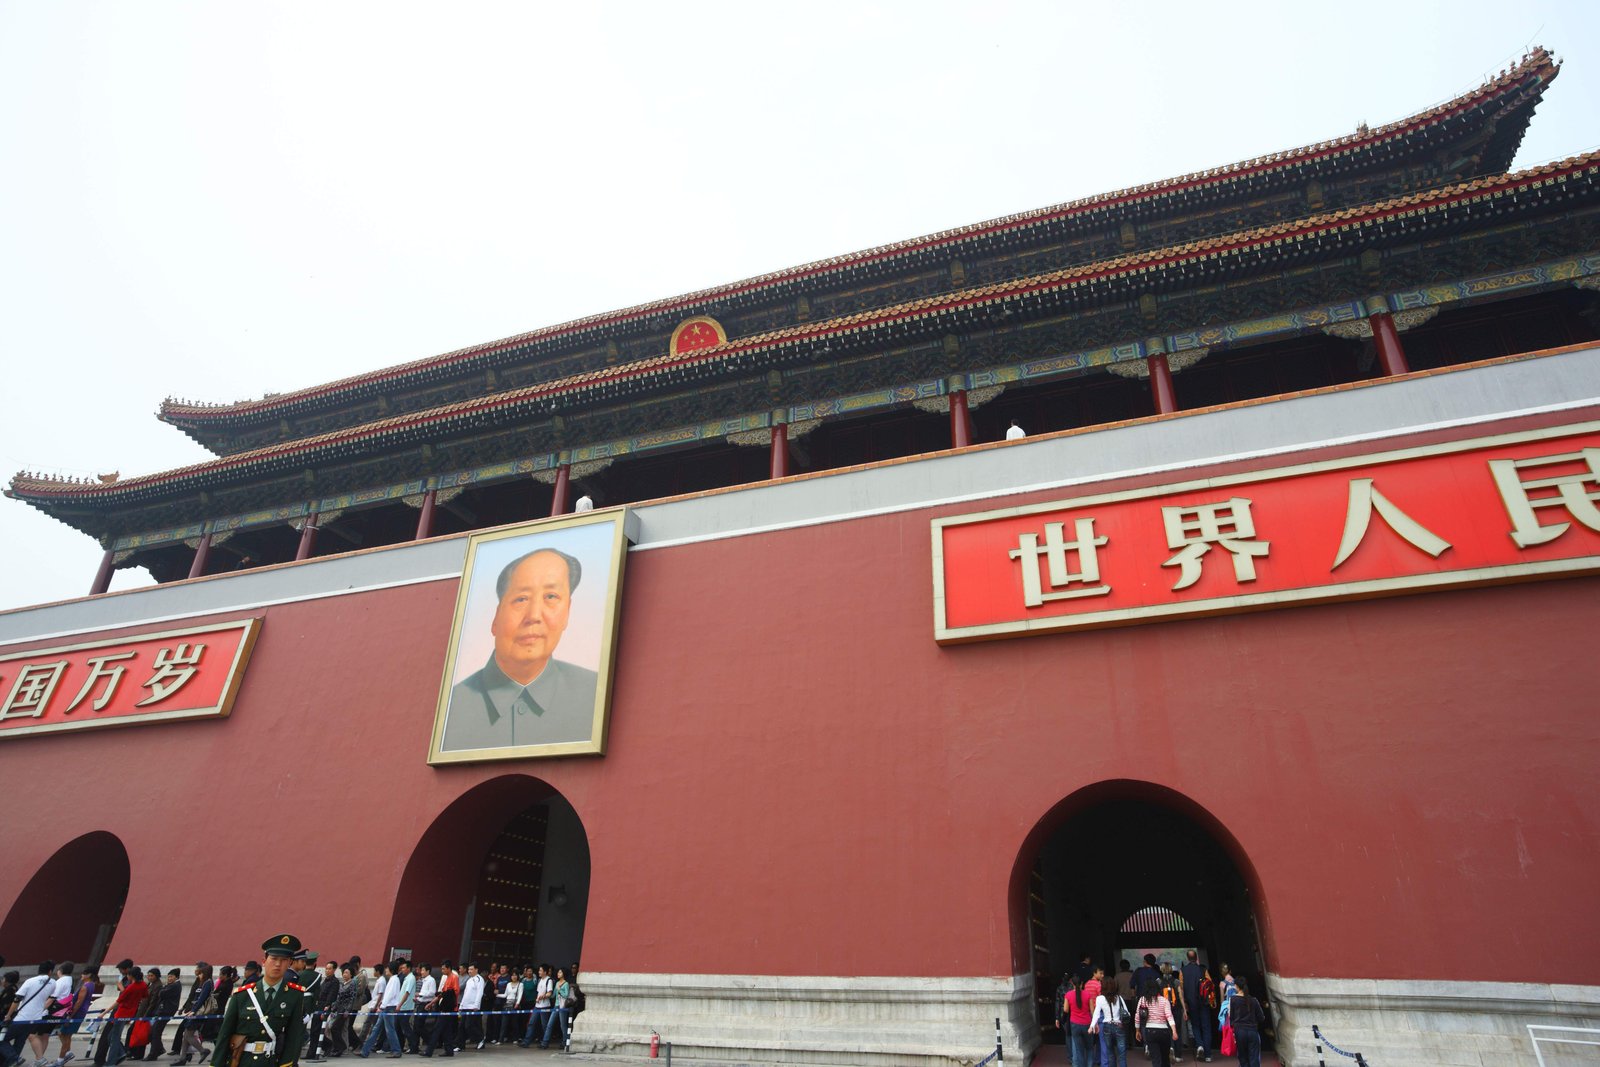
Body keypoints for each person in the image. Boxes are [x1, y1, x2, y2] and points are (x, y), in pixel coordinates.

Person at [441, 549, 598, 751]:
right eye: (521, 599)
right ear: (496, 617)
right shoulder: (453, 709)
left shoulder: (594, 695)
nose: (533, 615)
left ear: (567, 611)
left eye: (551, 597)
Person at [209, 934, 307, 1067]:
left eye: (284, 960)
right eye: (274, 959)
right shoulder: (242, 995)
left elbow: (293, 1036)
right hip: (242, 1061)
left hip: (271, 1061)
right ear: (264, 961)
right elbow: (224, 1035)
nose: (278, 964)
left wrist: (286, 1064)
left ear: (289, 963)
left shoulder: (294, 995)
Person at [5, 963, 57, 1067]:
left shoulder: (30, 981)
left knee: (3, 1040)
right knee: (20, 1041)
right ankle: (12, 1062)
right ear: (50, 971)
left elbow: (17, 999)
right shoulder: (53, 983)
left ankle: (15, 1058)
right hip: (36, 1018)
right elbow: (51, 998)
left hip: (22, 1017)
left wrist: (9, 1015)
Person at [359, 960, 408, 1059]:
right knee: (377, 1029)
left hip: (388, 1008)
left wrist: (382, 1006)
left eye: (387, 968)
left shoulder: (394, 980)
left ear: (391, 969)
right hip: (387, 1007)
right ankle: (365, 1050)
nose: (386, 970)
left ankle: (396, 1050)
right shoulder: (394, 979)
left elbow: (390, 995)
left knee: (389, 1030)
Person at [172, 963, 214, 1066]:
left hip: (198, 1013)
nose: (198, 975)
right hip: (194, 1011)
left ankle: (203, 1051)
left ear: (204, 973)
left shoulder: (207, 983)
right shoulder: (201, 982)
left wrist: (193, 1011)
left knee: (188, 1035)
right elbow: (194, 997)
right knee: (186, 1035)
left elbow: (201, 999)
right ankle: (182, 1058)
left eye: (200, 973)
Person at [55, 965, 97, 1067]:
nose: (82, 975)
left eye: (84, 973)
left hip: (76, 1013)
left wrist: (70, 1015)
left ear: (89, 975)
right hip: (81, 1013)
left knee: (66, 1035)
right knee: (62, 1034)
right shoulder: (92, 985)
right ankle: (68, 1053)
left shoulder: (85, 986)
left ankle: (60, 1060)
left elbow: (79, 1002)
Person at [1179, 952, 1214, 1063]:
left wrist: (1184, 1004)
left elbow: (1181, 989)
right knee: (1206, 1027)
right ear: (1196, 958)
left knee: (1195, 1025)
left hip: (1191, 1003)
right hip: (1204, 1003)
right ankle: (1208, 1055)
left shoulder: (1183, 971)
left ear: (1188, 958)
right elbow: (1210, 985)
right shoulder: (1203, 969)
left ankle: (1199, 1045)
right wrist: (1212, 1001)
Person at [1134, 978, 1178, 1067]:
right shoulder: (1164, 1000)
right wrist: (1174, 1031)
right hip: (1164, 1031)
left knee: (1156, 1059)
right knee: (1165, 1059)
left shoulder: (1143, 1000)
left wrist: (1137, 1030)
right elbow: (1169, 1016)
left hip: (1150, 1031)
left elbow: (1137, 1016)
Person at [1089, 975, 1129, 1067]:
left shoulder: (1100, 999)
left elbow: (1096, 1014)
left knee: (1110, 1053)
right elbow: (1126, 1013)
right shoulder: (1119, 998)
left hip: (1107, 1026)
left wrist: (1092, 1026)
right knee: (1122, 1055)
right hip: (1119, 1026)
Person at [1225, 978, 1264, 1067]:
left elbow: (1231, 1018)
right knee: (1254, 1058)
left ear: (1237, 986)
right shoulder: (1254, 1000)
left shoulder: (1233, 999)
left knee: (1243, 1058)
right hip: (1252, 1031)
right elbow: (1261, 1017)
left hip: (1239, 1032)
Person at [145, 970, 182, 1060]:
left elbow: (161, 993)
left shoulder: (175, 986)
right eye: (168, 977)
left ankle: (153, 1054)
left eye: (171, 977)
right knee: (154, 1031)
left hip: (166, 1011)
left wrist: (163, 988)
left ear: (176, 977)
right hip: (163, 1011)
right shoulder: (172, 985)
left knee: (156, 1032)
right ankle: (159, 1049)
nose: (169, 979)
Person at [537, 968, 572, 1051]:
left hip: (562, 1006)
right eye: (558, 972)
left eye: (560, 972)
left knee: (563, 1025)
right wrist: (544, 995)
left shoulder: (566, 984)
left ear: (564, 973)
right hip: (556, 1005)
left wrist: (559, 990)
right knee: (549, 1024)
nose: (558, 973)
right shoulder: (556, 983)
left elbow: (566, 995)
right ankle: (545, 1043)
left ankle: (565, 1042)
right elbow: (553, 996)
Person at [1063, 974, 1092, 1067]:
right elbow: (1092, 1011)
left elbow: (1066, 1010)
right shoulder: (1088, 994)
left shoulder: (1068, 995)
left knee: (1079, 1050)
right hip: (1087, 1023)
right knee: (1089, 1048)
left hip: (1074, 1024)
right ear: (1082, 984)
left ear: (1072, 984)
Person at [456, 966, 484, 1052]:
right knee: (461, 1026)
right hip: (465, 1006)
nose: (469, 971)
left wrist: (476, 1005)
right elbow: (465, 994)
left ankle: (480, 1039)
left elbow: (480, 993)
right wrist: (461, 1006)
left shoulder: (479, 979)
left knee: (469, 1026)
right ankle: (460, 1045)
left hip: (473, 1007)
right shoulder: (469, 980)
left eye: (471, 969)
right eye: (469, 969)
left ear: (476, 969)